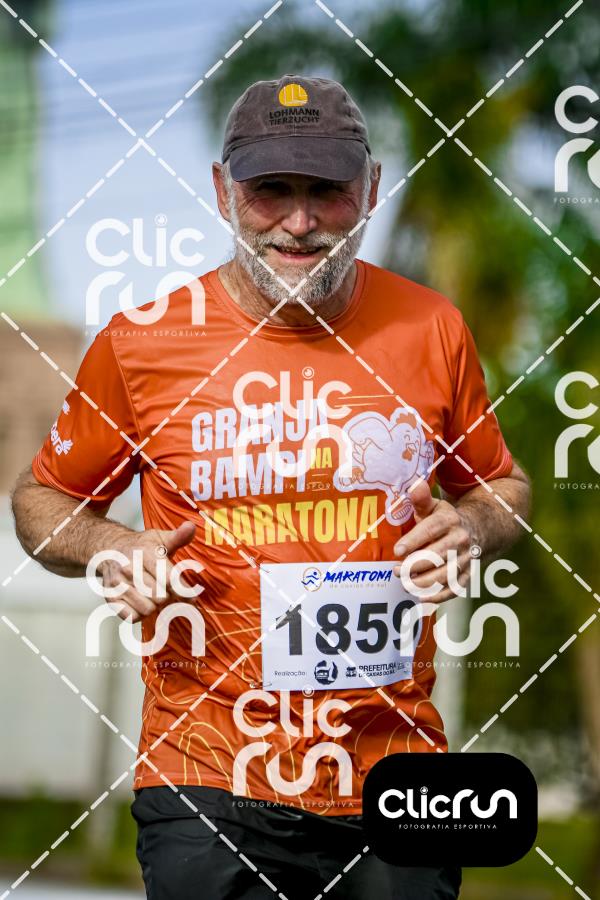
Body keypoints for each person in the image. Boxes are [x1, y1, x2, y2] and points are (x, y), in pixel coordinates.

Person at [12, 75, 530, 899]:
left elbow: (501, 483)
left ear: (371, 189)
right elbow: (40, 502)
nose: (299, 220)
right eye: (271, 190)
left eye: (326, 190)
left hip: (394, 769)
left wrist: (470, 526)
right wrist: (111, 545)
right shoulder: (140, 344)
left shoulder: (432, 328)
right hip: (208, 770)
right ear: (224, 191)